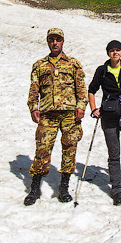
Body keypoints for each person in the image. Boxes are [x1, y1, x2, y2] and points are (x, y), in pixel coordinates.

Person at [25, 28, 87, 206]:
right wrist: (33, 108)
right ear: (47, 42)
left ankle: (63, 187)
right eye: (51, 39)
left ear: (63, 41)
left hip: (69, 114)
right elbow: (33, 89)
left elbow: (81, 88)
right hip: (47, 113)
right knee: (42, 148)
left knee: (70, 148)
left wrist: (81, 107)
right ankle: (35, 188)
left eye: (58, 39)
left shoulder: (73, 64)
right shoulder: (39, 65)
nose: (55, 43)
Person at [87, 40, 121, 205]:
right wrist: (94, 109)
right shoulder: (102, 70)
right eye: (112, 50)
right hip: (109, 116)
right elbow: (91, 90)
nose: (115, 53)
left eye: (118, 50)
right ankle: (117, 189)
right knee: (114, 154)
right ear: (108, 53)